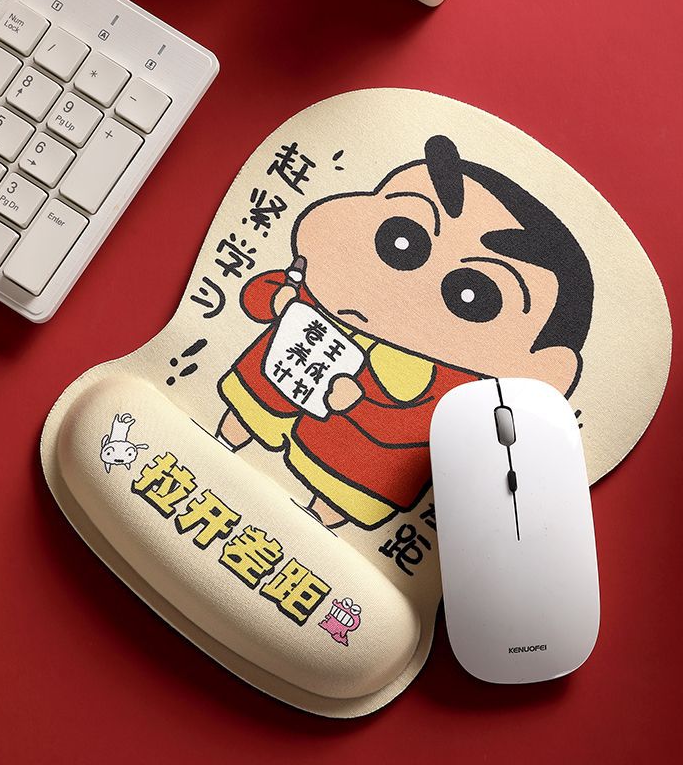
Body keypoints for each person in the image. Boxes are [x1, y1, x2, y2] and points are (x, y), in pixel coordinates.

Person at [216, 135, 594, 529]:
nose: (409, 288)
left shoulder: (455, 393)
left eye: (472, 296)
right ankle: (226, 440)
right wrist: (277, 298)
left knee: (332, 496)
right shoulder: (331, 288)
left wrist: (360, 406)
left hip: (354, 462)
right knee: (243, 417)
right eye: (402, 240)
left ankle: (318, 520)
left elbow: (416, 430)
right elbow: (259, 297)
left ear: (543, 368)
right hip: (263, 391)